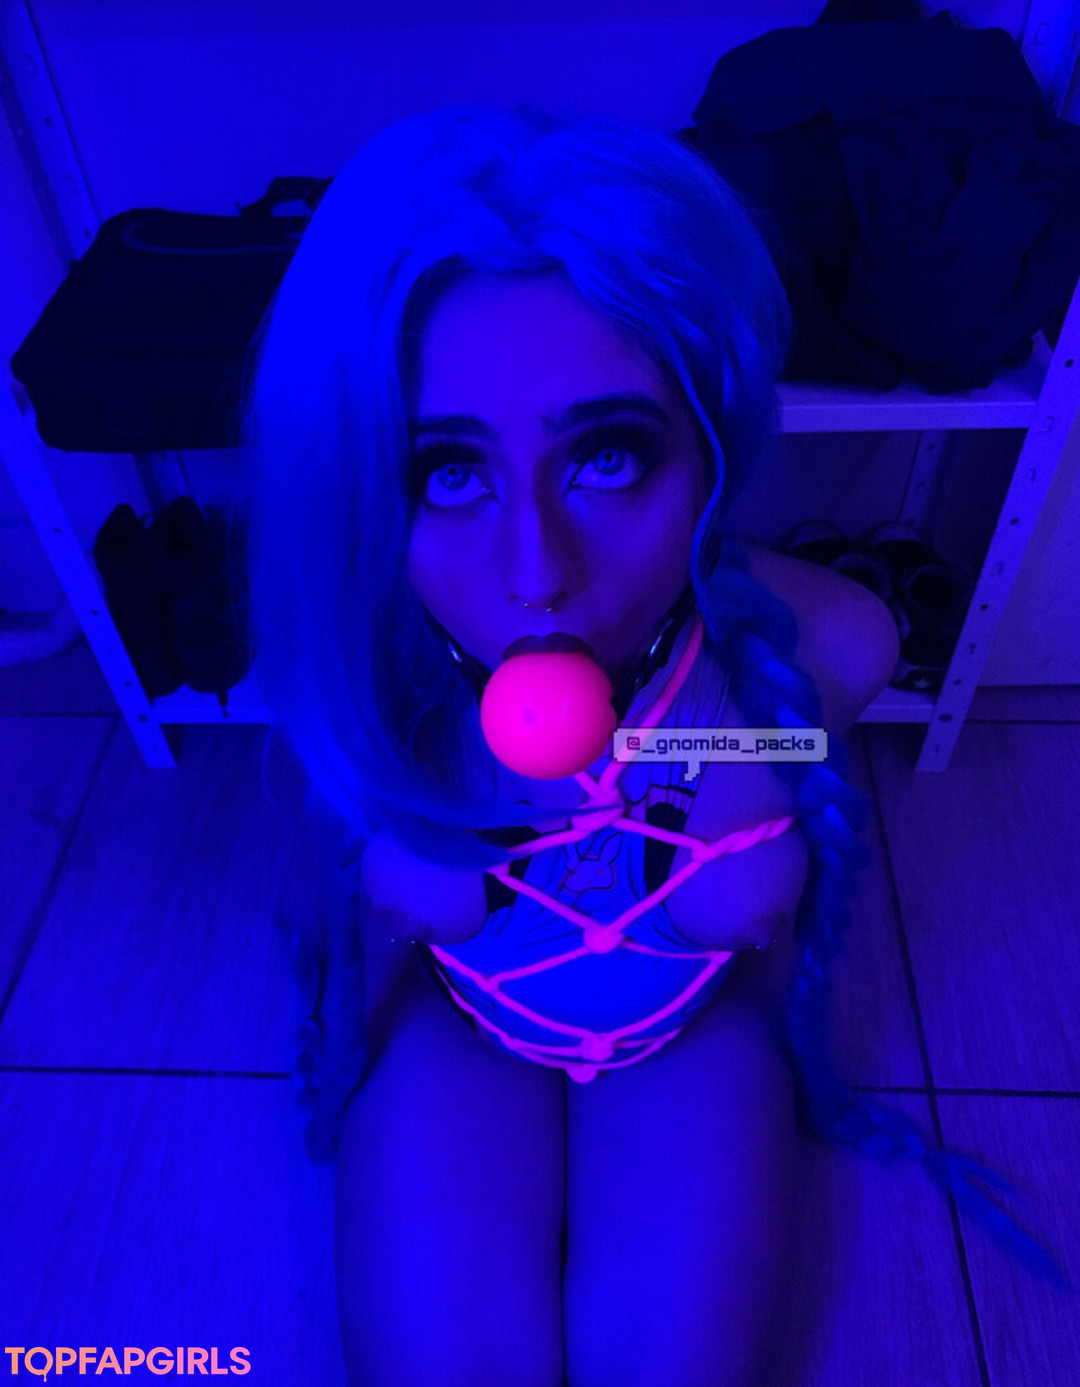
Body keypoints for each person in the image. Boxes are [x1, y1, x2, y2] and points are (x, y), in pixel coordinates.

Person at [237, 103, 1071, 1387]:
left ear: (710, 450)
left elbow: (784, 740)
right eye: (448, 472)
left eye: (608, 457)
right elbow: (351, 949)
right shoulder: (367, 690)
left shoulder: (830, 650)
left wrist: (727, 767)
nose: (538, 573)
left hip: (685, 1030)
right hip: (465, 1030)